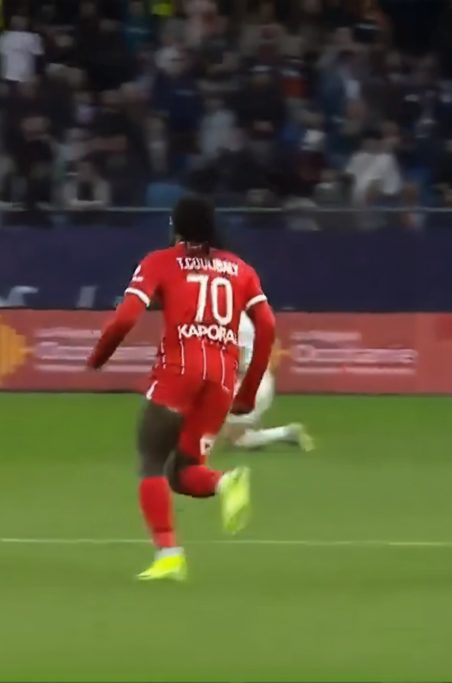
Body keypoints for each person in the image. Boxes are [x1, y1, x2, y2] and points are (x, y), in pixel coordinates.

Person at [86, 195, 276, 582]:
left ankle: (169, 554)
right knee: (184, 472)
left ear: (176, 227)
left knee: (151, 461)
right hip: (221, 378)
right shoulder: (240, 269)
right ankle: (226, 482)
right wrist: (248, 391)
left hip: (179, 371)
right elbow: (268, 326)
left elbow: (125, 318)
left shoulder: (160, 261)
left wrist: (98, 357)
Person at [220, 312, 315, 452]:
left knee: (237, 439)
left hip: (249, 385)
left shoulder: (236, 323)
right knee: (228, 432)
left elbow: (237, 361)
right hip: (260, 381)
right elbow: (274, 344)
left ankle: (287, 433)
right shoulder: (250, 318)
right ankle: (257, 430)